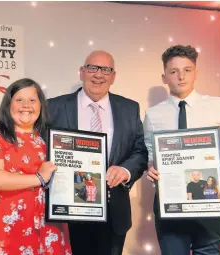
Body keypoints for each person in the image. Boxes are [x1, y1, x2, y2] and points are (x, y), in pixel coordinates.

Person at [47, 50, 148, 255]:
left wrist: (126, 171)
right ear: (82, 72)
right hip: (67, 209)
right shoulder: (54, 107)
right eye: (92, 68)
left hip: (112, 210)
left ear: (113, 76)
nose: (98, 75)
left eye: (106, 69)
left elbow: (140, 151)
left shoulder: (129, 108)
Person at [144, 45, 220, 255]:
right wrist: (150, 167)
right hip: (170, 207)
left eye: (187, 70)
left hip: (210, 206)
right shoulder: (153, 114)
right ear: (164, 77)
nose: (181, 76)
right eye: (174, 71)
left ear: (195, 72)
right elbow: (150, 155)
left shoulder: (219, 106)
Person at [0, 78, 71, 254]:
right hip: (10, 223)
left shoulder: (50, 138)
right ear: (9, 104)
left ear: (41, 105)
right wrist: (39, 178)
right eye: (19, 100)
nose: (26, 105)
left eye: (32, 100)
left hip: (48, 222)